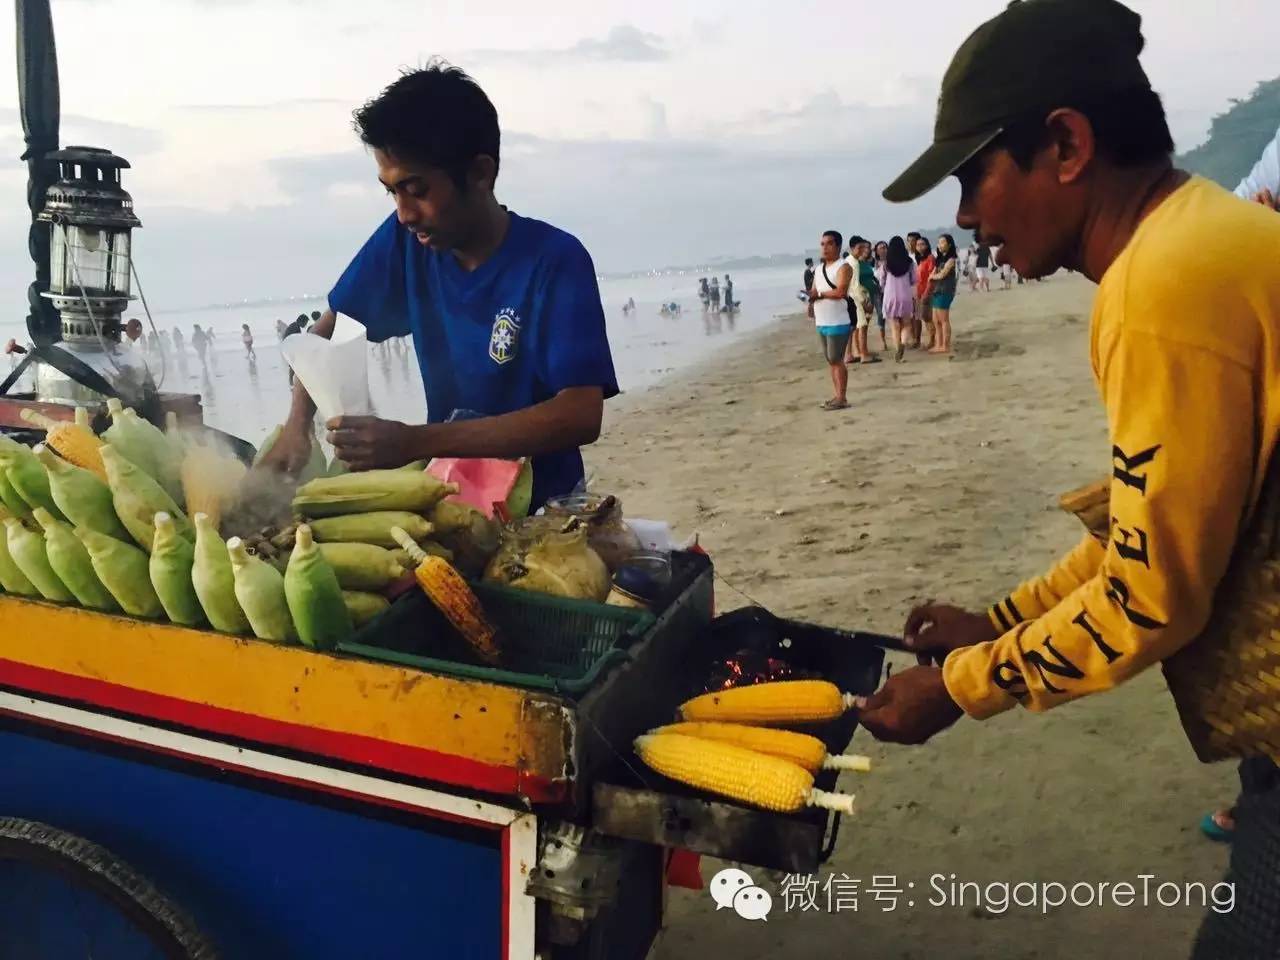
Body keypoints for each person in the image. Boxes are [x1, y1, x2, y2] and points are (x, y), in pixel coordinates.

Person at [866, 1, 1280, 954]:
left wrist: (963, 686)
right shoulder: (1196, 238)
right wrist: (1005, 619)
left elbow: (1152, 597)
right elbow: (1153, 528)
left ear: (1064, 144)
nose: (966, 217)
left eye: (974, 178)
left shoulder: (1162, 289)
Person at [257, 62, 617, 512]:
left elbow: (579, 414)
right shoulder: (406, 244)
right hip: (446, 499)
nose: (405, 213)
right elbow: (327, 333)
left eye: (416, 189)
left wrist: (415, 440)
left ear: (480, 173)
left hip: (545, 509)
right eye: (391, 192)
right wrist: (298, 426)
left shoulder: (553, 261)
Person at [808, 229, 853, 411]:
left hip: (838, 320)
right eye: (822, 244)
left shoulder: (843, 267)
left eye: (829, 243)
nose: (824, 247)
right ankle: (837, 395)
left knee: (836, 358)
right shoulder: (819, 269)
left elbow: (841, 291)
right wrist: (810, 303)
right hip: (822, 320)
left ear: (838, 246)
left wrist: (819, 295)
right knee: (831, 360)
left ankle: (842, 397)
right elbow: (813, 291)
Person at [880, 237, 917, 362]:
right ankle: (903, 343)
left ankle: (897, 350)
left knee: (894, 326)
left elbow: (882, 281)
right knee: (906, 324)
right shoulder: (909, 262)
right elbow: (913, 280)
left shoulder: (885, 263)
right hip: (905, 296)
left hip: (890, 297)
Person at [927, 234, 958, 353]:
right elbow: (934, 273)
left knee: (943, 319)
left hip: (945, 290)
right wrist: (932, 276)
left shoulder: (951, 260)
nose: (940, 245)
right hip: (937, 290)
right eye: (939, 242)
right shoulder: (939, 259)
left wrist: (932, 277)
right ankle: (938, 344)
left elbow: (943, 274)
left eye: (943, 242)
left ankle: (945, 345)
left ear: (949, 245)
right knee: (935, 320)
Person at [913, 235, 935, 348]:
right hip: (919, 292)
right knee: (924, 317)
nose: (920, 247)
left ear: (927, 246)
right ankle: (931, 340)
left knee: (927, 317)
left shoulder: (930, 258)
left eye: (922, 244)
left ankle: (933, 340)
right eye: (918, 245)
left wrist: (926, 293)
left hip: (928, 292)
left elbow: (931, 277)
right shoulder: (920, 260)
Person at [871, 240, 890, 352]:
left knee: (894, 315)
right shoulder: (873, 262)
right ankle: (883, 342)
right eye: (880, 248)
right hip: (878, 292)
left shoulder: (892, 261)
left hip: (891, 291)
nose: (883, 249)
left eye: (884, 247)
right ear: (876, 251)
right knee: (880, 316)